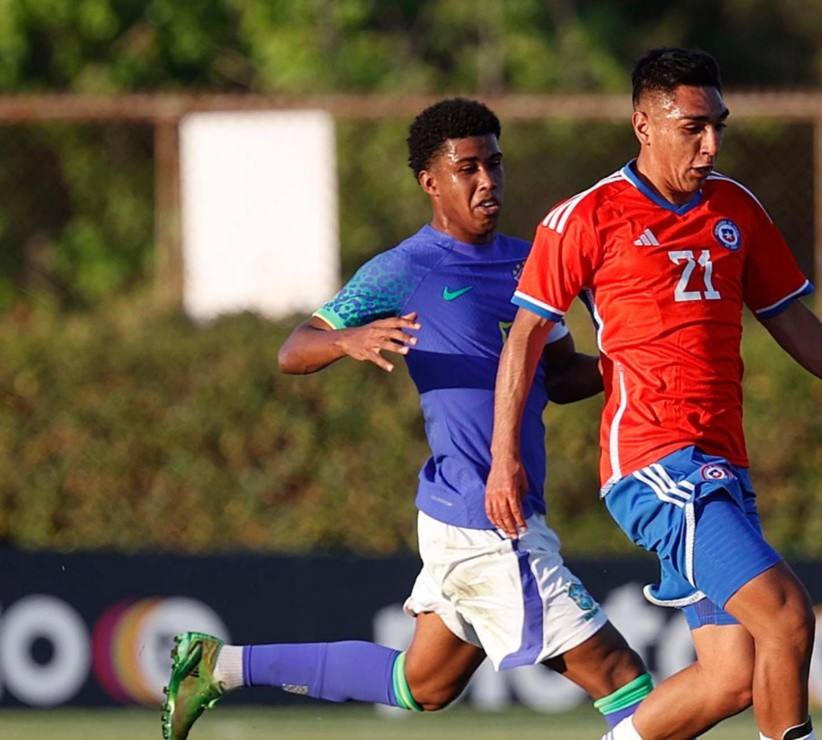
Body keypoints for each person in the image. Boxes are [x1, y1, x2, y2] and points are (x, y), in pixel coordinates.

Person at [161, 98, 652, 740]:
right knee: (623, 680)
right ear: (431, 181)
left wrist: (635, 362)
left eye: (495, 164)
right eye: (468, 168)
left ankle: (217, 666)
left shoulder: (531, 261)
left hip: (472, 511)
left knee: (421, 686)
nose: (487, 181)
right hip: (485, 519)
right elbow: (293, 349)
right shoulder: (404, 269)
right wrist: (347, 340)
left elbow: (557, 377)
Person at [485, 49, 822, 740]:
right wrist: (502, 455)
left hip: (722, 463)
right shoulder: (586, 217)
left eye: (718, 124)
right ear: (643, 124)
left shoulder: (736, 208)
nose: (711, 142)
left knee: (730, 679)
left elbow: (785, 312)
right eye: (693, 126)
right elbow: (526, 339)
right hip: (656, 464)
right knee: (786, 616)